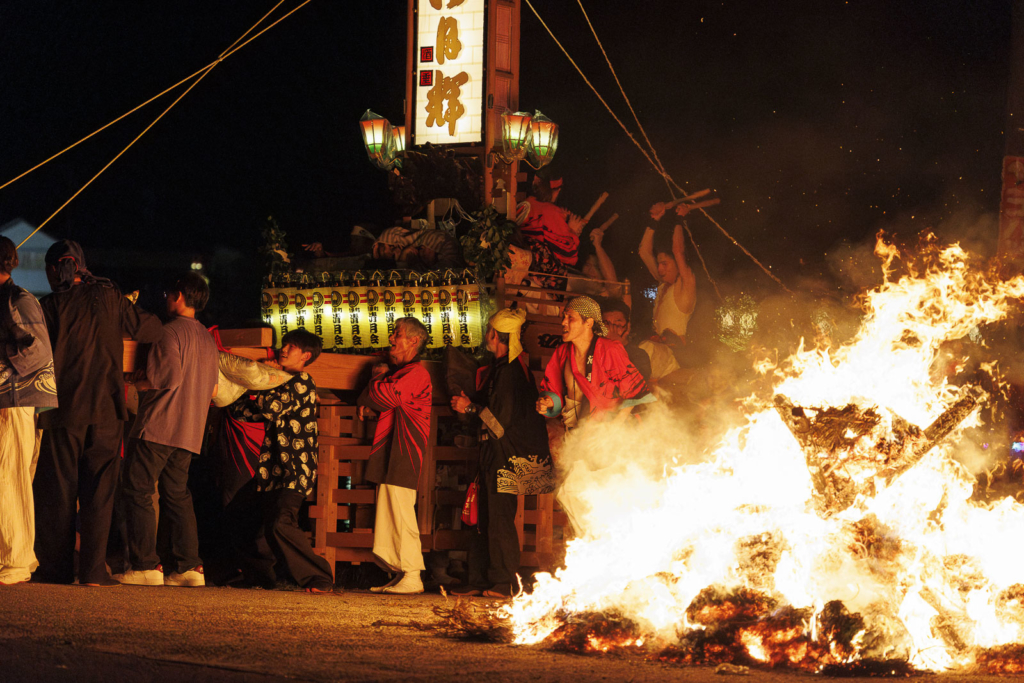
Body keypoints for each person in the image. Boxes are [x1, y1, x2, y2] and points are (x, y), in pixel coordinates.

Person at [33, 240, 163, 587]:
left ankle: (56, 570)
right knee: (100, 493)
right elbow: (151, 329)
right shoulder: (110, 297)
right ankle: (92, 572)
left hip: (64, 410)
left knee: (59, 492)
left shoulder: (49, 306)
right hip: (107, 408)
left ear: (53, 269)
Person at [116, 273, 219, 587]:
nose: (165, 298)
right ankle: (189, 567)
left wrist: (136, 381)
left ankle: (146, 564)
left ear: (178, 296)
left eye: (168, 294)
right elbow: (213, 389)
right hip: (190, 430)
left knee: (137, 489)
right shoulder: (207, 338)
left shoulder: (167, 332)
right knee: (177, 494)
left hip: (160, 424)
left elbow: (166, 378)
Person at [450, 309, 554, 598]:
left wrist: (468, 408)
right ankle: (481, 578)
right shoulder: (502, 368)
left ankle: (504, 582)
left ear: (495, 335)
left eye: (488, 331)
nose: (487, 336)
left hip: (508, 455)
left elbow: (498, 424)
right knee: (483, 515)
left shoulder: (510, 373)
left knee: (498, 517)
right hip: (495, 452)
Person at [226, 329, 334, 593]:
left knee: (280, 523)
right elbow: (241, 411)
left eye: (292, 347)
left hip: (294, 469)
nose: (283, 350)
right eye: (284, 344)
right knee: (239, 515)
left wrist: (264, 377)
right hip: (270, 471)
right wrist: (252, 384)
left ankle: (319, 577)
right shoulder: (279, 383)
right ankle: (260, 575)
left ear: (305, 356)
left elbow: (270, 407)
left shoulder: (302, 381)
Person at [357, 317, 431, 595]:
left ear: (414, 341)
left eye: (397, 335)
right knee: (389, 508)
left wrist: (376, 379)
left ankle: (413, 573)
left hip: (406, 449)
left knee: (400, 511)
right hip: (393, 447)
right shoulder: (401, 372)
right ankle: (400, 571)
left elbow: (382, 396)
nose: (391, 339)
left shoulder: (417, 373)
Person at [0, 236, 58, 586]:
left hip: (15, 401)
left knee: (11, 478)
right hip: (9, 399)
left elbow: (37, 352)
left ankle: (17, 560)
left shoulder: (18, 299)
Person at [536, 296, 649, 431]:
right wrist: (548, 402)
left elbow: (635, 392)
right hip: (575, 428)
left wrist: (613, 428)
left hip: (611, 429)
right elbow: (553, 389)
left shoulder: (608, 350)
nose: (563, 322)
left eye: (570, 317)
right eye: (563, 317)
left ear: (588, 323)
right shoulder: (563, 352)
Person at [639, 202, 698, 364]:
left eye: (665, 263)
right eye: (658, 264)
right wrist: (654, 220)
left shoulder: (686, 284)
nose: (659, 268)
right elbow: (643, 251)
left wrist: (680, 219)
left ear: (677, 264)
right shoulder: (663, 284)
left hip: (674, 354)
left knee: (645, 349)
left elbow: (678, 250)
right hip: (659, 350)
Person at [600, 298, 652, 385]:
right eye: (607, 325)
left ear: (628, 326)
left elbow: (635, 385)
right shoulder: (596, 351)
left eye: (618, 325)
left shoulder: (639, 355)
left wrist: (617, 347)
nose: (612, 331)